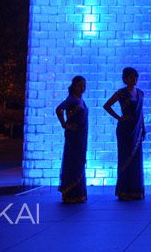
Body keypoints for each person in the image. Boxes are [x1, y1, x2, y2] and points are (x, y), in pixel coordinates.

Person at [103, 67, 146, 200]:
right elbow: (107, 105)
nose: (134, 80)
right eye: (131, 77)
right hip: (125, 130)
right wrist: (119, 117)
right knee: (125, 158)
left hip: (137, 130)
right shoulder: (121, 93)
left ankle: (136, 189)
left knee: (136, 159)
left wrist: (143, 128)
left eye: (135, 77)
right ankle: (124, 190)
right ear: (125, 79)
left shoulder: (140, 93)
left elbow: (141, 112)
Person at [55, 76, 89, 204]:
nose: (82, 88)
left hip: (81, 135)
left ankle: (78, 193)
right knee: (73, 162)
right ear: (74, 86)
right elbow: (59, 109)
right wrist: (64, 124)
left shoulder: (80, 100)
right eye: (80, 85)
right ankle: (71, 193)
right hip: (73, 136)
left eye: (84, 85)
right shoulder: (71, 99)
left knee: (79, 161)